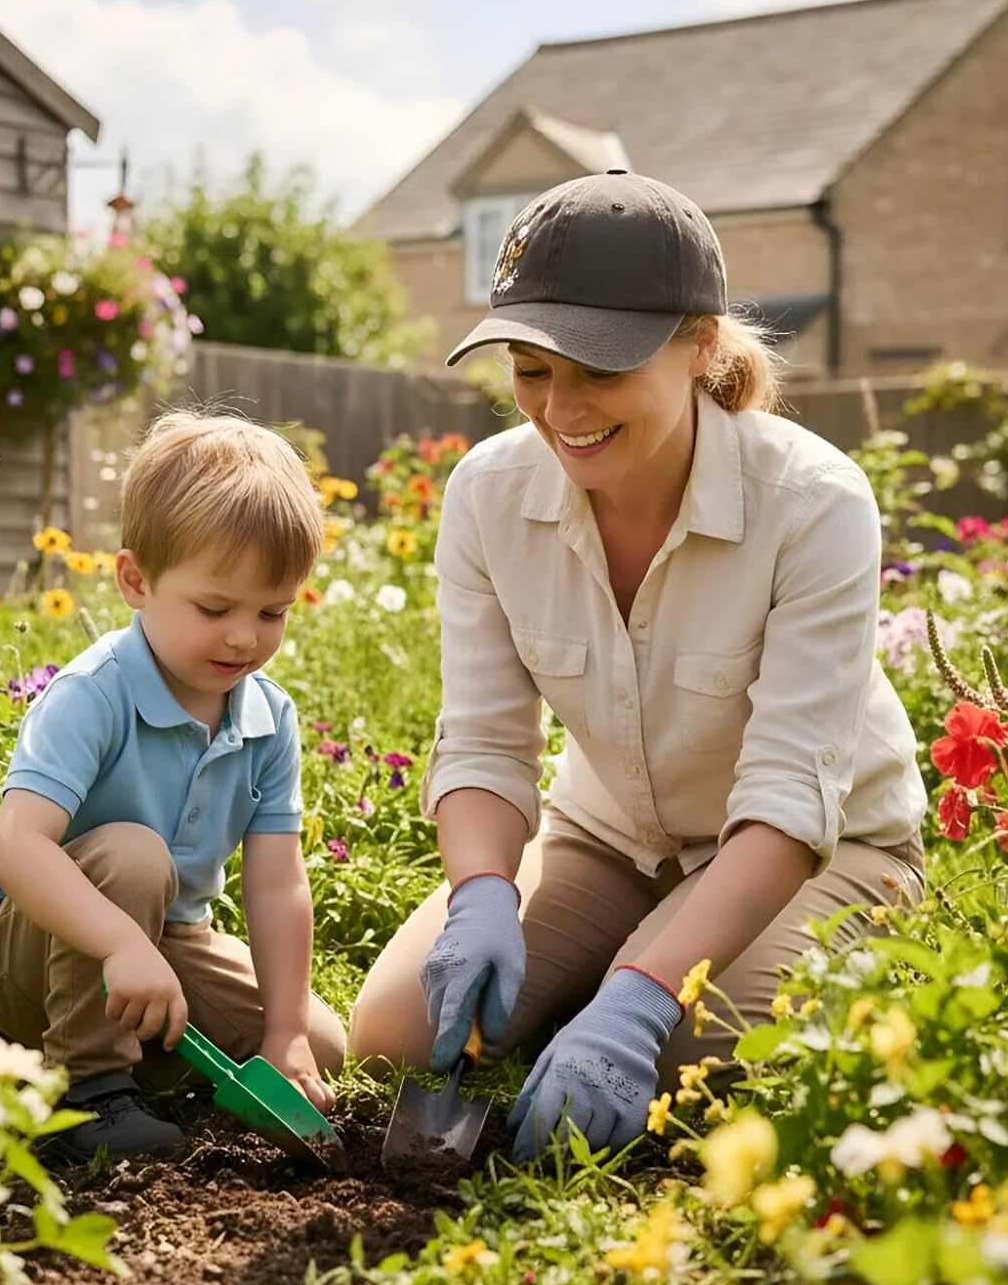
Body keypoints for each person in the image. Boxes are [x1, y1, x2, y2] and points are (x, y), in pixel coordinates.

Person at [348, 170, 927, 1162]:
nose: (559, 409)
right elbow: (486, 738)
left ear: (701, 343)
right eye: (530, 370)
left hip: (825, 849)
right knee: (395, 1032)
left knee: (679, 1059)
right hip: (610, 836)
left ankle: (651, 967)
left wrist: (640, 993)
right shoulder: (489, 497)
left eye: (599, 370)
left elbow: (790, 797)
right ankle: (622, 953)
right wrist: (483, 892)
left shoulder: (813, 503)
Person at [0, 412, 345, 1163]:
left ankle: (137, 1045)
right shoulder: (95, 693)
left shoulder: (267, 718)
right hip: (21, 948)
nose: (244, 638)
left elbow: (277, 883)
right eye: (215, 608)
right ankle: (85, 1093)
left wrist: (284, 1033)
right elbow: (17, 850)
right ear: (135, 580)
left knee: (323, 1040)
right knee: (134, 854)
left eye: (273, 611)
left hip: (159, 940)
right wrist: (121, 942)